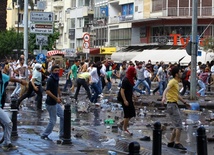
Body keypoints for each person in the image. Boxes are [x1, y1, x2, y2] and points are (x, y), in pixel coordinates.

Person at [162, 66, 190, 150]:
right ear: (176, 74)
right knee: (179, 126)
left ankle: (171, 142)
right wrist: (164, 97)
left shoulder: (176, 82)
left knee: (176, 125)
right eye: (180, 72)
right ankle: (177, 142)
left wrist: (185, 102)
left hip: (173, 104)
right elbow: (166, 90)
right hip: (172, 105)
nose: (181, 73)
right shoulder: (172, 82)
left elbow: (177, 95)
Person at [0, 69, 27, 151]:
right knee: (8, 123)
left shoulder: (2, 77)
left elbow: (12, 79)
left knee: (7, 123)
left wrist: (21, 81)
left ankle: (7, 143)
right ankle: (7, 143)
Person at [41, 65, 64, 140]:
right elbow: (47, 91)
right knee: (53, 121)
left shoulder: (56, 78)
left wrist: (60, 95)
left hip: (55, 102)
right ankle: (44, 134)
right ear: (52, 71)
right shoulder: (50, 79)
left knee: (63, 116)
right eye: (55, 71)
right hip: (50, 103)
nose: (57, 72)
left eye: (58, 70)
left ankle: (62, 133)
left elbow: (57, 87)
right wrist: (56, 98)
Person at [118, 66, 136, 136]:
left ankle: (122, 123)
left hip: (129, 97)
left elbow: (130, 89)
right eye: (134, 71)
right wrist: (125, 100)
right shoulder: (125, 80)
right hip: (124, 98)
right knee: (127, 114)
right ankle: (125, 129)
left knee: (132, 113)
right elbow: (122, 91)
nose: (135, 72)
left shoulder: (131, 79)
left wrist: (133, 95)